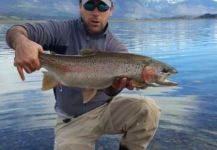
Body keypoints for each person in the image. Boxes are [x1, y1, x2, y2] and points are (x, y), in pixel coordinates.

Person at [6, 0, 160, 149]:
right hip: (72, 120)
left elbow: (110, 91)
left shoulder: (116, 48)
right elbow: (16, 31)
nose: (95, 12)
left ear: (111, 10)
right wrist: (21, 43)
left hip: (105, 111)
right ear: (80, 7)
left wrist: (115, 87)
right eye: (89, 5)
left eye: (102, 6)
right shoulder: (62, 30)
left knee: (147, 108)